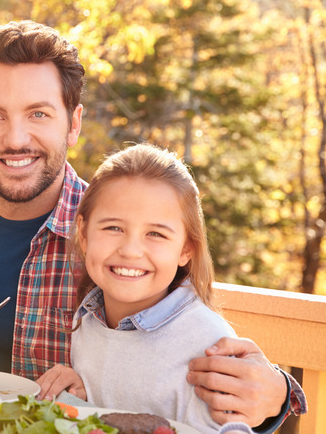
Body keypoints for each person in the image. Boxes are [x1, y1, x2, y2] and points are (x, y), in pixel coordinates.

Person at [0, 20, 305, 431]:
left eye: (38, 114)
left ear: (73, 123)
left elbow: (170, 336)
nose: (15, 139)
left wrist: (279, 393)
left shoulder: (110, 234)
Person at [65, 143, 266, 433]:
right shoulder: (87, 319)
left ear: (186, 249)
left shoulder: (208, 344)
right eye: (113, 228)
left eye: (155, 234)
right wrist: (79, 400)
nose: (131, 250)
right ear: (83, 234)